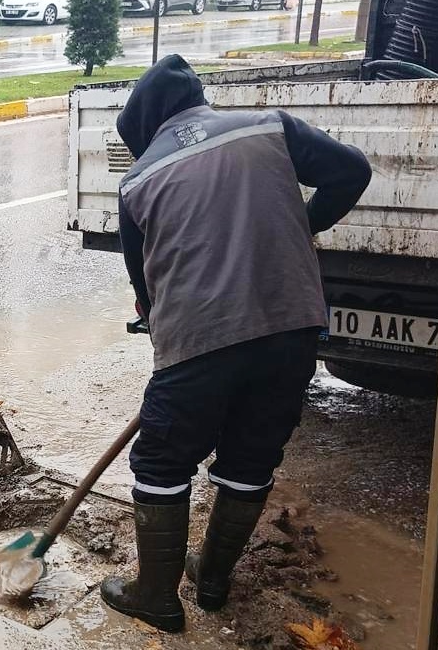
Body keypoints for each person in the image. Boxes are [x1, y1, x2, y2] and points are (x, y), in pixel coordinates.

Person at [99, 55, 371, 633]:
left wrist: (160, 321)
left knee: (161, 462)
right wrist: (304, 223)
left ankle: (155, 596)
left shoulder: (139, 180)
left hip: (200, 339)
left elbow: (144, 290)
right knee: (251, 454)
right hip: (292, 329)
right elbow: (352, 172)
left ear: (146, 130)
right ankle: (214, 579)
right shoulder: (270, 127)